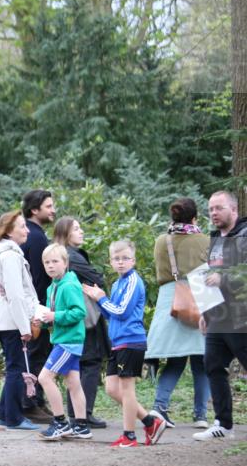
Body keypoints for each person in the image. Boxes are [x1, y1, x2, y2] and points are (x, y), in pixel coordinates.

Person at [83, 240, 166, 447]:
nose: (121, 263)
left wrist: (101, 299)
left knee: (127, 389)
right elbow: (112, 313)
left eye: (125, 258)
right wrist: (98, 299)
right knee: (112, 389)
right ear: (110, 261)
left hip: (131, 341)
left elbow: (121, 312)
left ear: (133, 260)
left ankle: (129, 436)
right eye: (116, 259)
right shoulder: (118, 283)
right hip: (117, 342)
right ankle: (150, 421)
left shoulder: (132, 282)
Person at [144, 198, 211, 430]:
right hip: (199, 298)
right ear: (195, 217)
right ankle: (201, 414)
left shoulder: (162, 241)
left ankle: (160, 406)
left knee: (175, 359)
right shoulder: (205, 240)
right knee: (202, 360)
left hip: (170, 300)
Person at [0, 210, 41, 431]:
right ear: (9, 231)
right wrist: (25, 326)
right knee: (16, 368)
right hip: (11, 321)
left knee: (13, 365)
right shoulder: (11, 256)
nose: (27, 230)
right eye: (22, 226)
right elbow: (15, 296)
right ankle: (13, 417)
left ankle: (4, 414)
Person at [197, 190, 247, 441]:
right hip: (218, 315)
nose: (214, 213)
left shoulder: (245, 235)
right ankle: (223, 424)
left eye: (219, 208)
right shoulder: (215, 238)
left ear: (234, 210)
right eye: (210, 210)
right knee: (213, 366)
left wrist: (224, 278)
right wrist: (204, 312)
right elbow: (209, 277)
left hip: (242, 317)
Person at [52, 216, 109, 429]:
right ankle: (82, 413)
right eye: (76, 229)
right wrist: (96, 281)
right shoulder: (71, 256)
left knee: (78, 364)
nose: (81, 231)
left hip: (73, 315)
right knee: (90, 363)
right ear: (66, 233)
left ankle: (76, 413)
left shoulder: (60, 255)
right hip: (85, 318)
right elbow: (98, 279)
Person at [35, 244, 90, 440]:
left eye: (55, 261)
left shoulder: (69, 285)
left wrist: (54, 315)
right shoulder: (53, 287)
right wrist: (41, 322)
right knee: (73, 383)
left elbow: (79, 312)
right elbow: (53, 318)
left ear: (65, 263)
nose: (50, 266)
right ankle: (82, 426)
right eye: (46, 262)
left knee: (44, 378)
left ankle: (60, 422)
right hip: (62, 339)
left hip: (69, 342)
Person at [20, 189, 57, 421]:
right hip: (37, 306)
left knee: (38, 353)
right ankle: (30, 403)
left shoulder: (33, 234)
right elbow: (37, 277)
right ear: (35, 210)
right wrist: (42, 308)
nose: (53, 210)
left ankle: (37, 402)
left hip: (34, 305)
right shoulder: (35, 236)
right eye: (48, 206)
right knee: (36, 354)